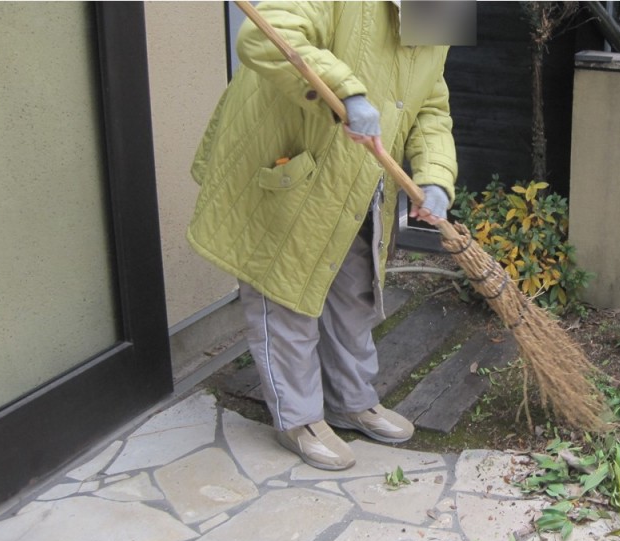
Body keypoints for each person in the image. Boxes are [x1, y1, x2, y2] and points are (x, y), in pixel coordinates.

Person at [187, 1, 457, 471]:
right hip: (293, 161)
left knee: (352, 292)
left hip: (358, 177)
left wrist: (435, 176)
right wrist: (347, 92)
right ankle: (299, 420)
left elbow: (431, 101)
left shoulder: (441, 8)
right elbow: (265, 35)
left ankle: (351, 400)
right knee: (284, 288)